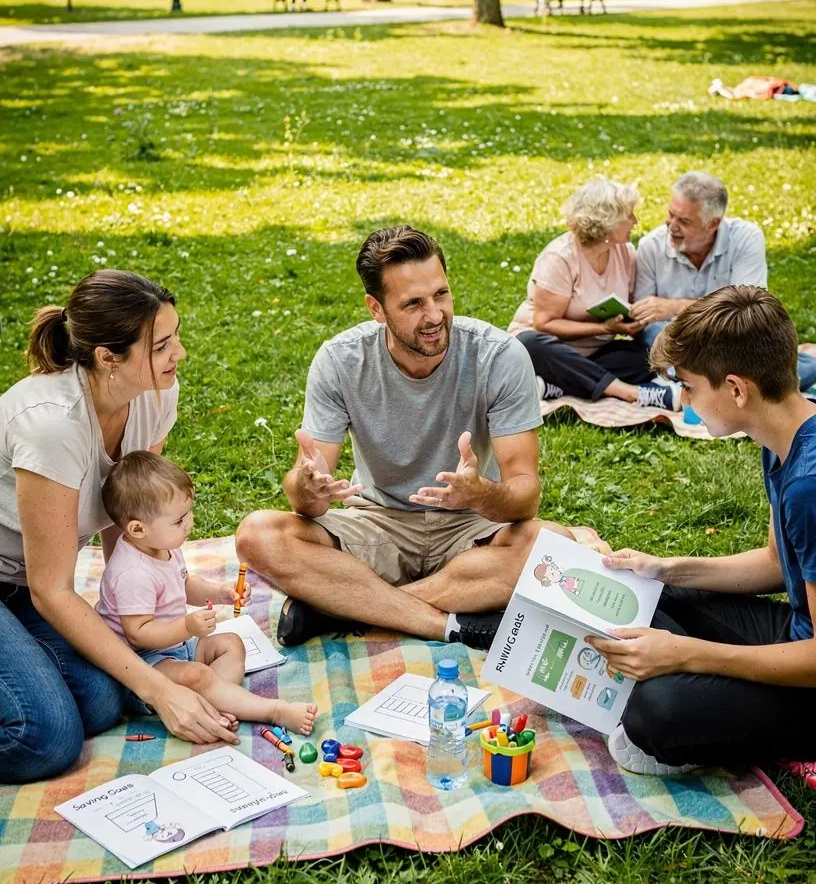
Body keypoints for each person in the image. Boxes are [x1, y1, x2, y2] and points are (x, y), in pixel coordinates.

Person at [236, 226, 580, 650]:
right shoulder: (341, 360)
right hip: (378, 522)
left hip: (471, 528)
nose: (434, 315)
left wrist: (479, 495)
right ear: (376, 309)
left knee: (556, 549)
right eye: (413, 304)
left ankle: (337, 608)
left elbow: (525, 495)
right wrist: (308, 488)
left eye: (441, 294)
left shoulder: (498, 355)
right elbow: (304, 497)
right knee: (257, 534)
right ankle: (443, 620)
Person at [0, 270, 242, 785]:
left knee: (105, 701)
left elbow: (128, 527)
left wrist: (142, 623)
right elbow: (53, 589)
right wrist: (161, 690)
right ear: (109, 357)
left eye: (176, 336)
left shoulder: (153, 395)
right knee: (44, 739)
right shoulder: (51, 426)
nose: (179, 354)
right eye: (161, 345)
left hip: (23, 590)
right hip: (32, 587)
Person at [586, 287, 816, 776]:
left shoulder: (809, 487)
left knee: (657, 712)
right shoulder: (782, 438)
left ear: (736, 388)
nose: (684, 399)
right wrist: (665, 568)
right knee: (653, 592)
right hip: (799, 634)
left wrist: (689, 656)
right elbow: (778, 565)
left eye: (688, 386)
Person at [98, 452, 317, 735]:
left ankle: (216, 704)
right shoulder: (133, 573)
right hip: (142, 664)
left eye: (188, 513)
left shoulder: (161, 546)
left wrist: (221, 592)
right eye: (178, 521)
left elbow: (185, 583)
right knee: (198, 674)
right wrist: (186, 626)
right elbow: (138, 633)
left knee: (232, 644)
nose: (189, 523)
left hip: (175, 647)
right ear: (138, 528)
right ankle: (273, 711)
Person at [508, 178, 681, 411]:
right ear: (607, 222)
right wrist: (605, 329)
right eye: (629, 216)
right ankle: (632, 393)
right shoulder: (559, 257)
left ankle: (558, 386)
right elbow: (543, 323)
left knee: (649, 356)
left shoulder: (625, 252)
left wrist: (633, 320)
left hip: (594, 354)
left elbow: (626, 305)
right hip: (547, 349)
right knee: (529, 343)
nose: (635, 222)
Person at [632, 171, 816, 390]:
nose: (671, 226)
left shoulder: (746, 238)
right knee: (655, 334)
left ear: (713, 224)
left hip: (732, 341)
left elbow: (749, 309)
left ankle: (690, 385)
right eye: (671, 214)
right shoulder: (650, 246)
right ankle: (721, 386)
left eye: (684, 221)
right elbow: (644, 322)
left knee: (802, 371)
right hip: (677, 344)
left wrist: (674, 307)